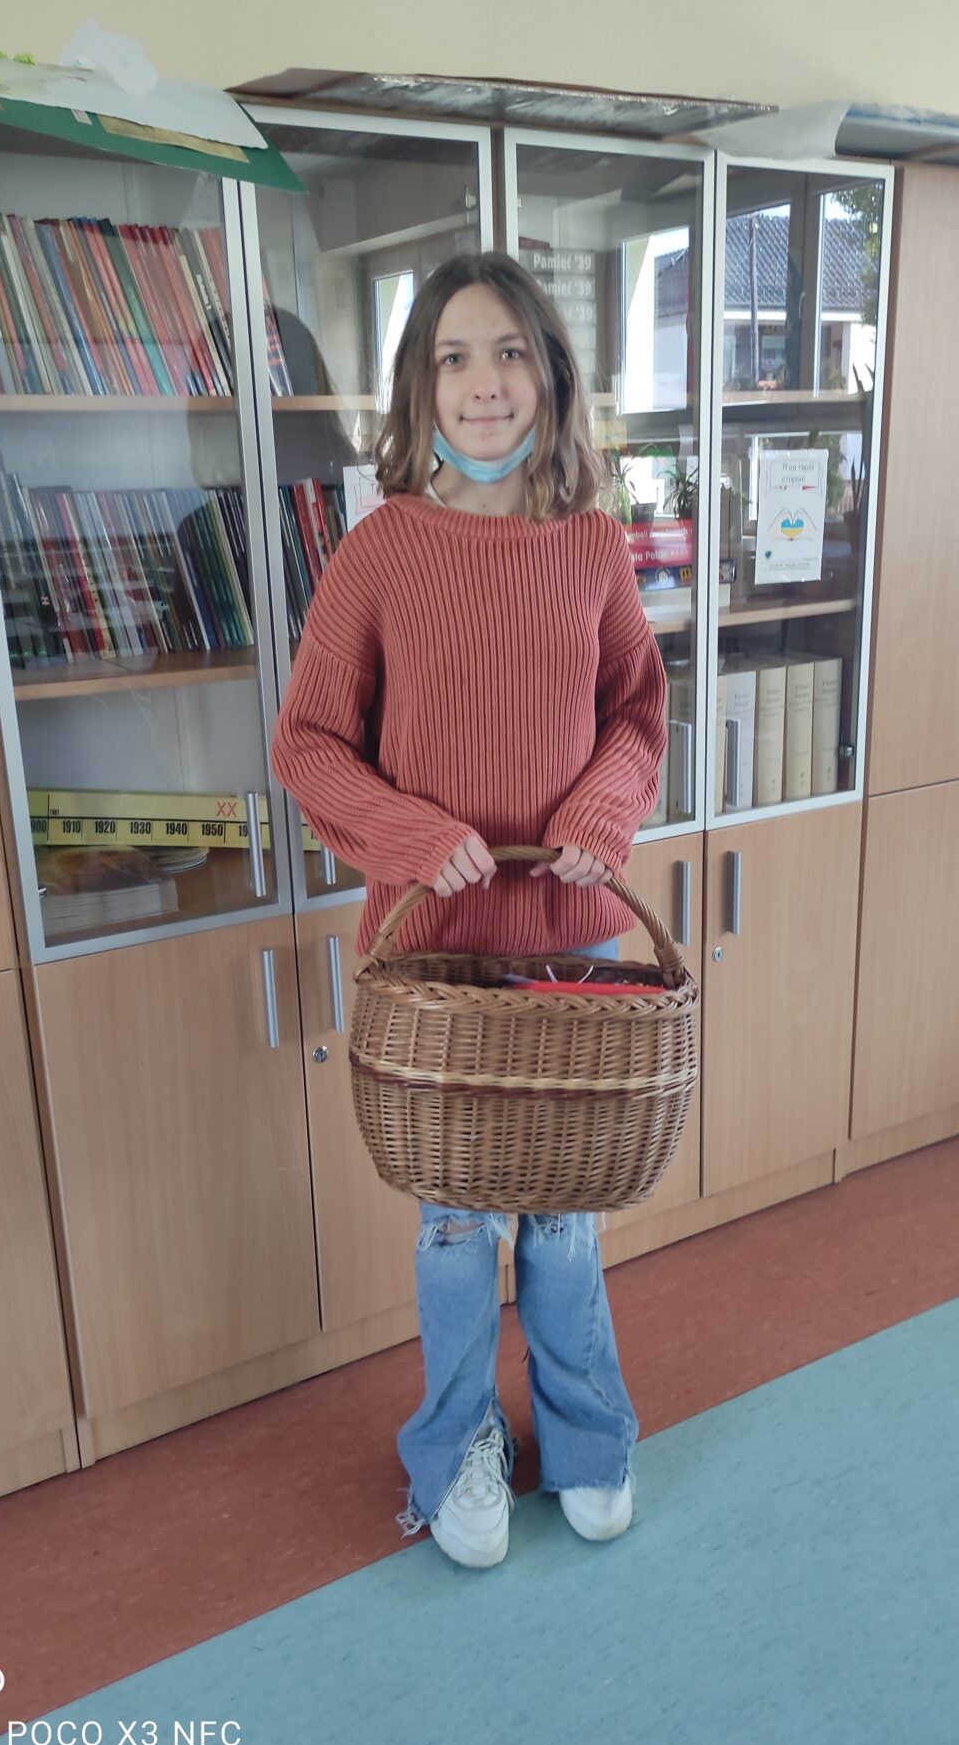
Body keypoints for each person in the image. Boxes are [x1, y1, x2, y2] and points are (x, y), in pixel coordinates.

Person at [268, 250, 667, 1570]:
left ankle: (591, 1435)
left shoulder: (592, 545)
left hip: (569, 945)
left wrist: (600, 812)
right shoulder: (380, 551)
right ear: (421, 387)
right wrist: (411, 833)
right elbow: (308, 741)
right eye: (453, 357)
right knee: (454, 1225)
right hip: (431, 955)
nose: (482, 383)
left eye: (507, 353)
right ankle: (456, 1448)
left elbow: (635, 713)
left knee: (563, 1213)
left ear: (548, 375)